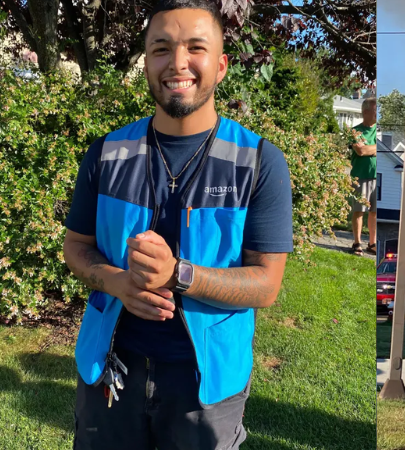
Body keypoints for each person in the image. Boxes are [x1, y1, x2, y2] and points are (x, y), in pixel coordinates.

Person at [62, 1, 293, 448]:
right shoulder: (107, 154)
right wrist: (117, 282)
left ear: (221, 65)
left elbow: (266, 284)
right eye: (162, 48)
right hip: (109, 374)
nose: (178, 63)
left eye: (196, 48)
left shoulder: (259, 163)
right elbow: (76, 247)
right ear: (147, 62)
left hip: (205, 388)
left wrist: (177, 274)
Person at [349, 97, 377, 256]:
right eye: (375, 111)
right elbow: (361, 151)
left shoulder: (378, 129)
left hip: (377, 177)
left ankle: (372, 244)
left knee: (375, 212)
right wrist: (373, 149)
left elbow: (370, 149)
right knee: (359, 211)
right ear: (366, 112)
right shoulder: (355, 131)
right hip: (361, 176)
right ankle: (357, 242)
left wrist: (370, 148)